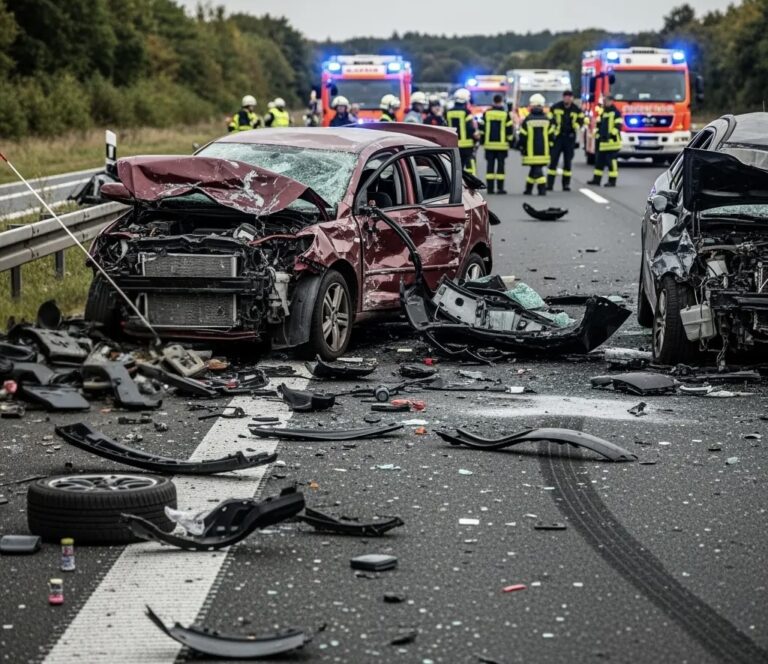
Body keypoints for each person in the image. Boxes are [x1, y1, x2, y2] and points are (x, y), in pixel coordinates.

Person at [547, 90, 585, 191]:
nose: (567, 99)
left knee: (568, 162)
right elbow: (549, 119)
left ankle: (566, 184)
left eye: (569, 97)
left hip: (570, 138)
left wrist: (576, 126)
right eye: (565, 97)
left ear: (572, 98)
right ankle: (549, 184)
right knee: (553, 161)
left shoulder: (576, 109)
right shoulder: (556, 107)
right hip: (558, 138)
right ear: (563, 97)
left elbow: (581, 121)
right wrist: (553, 130)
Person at [518, 93, 553, 196]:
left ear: (531, 106)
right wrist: (550, 147)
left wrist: (521, 147)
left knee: (536, 168)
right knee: (535, 168)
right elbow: (551, 136)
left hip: (530, 151)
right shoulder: (546, 119)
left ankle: (542, 189)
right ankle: (528, 189)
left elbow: (523, 136)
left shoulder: (528, 120)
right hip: (544, 150)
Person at [479, 93, 514, 194]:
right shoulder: (505, 114)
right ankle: (500, 188)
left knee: (490, 166)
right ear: (501, 101)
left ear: (493, 101)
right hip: (502, 146)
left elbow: (481, 128)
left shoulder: (487, 113)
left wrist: (482, 140)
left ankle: (490, 189)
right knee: (500, 166)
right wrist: (510, 142)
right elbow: (509, 130)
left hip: (489, 145)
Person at [588, 94, 623, 187]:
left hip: (612, 143)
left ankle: (612, 181)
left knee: (611, 162)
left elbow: (618, 125)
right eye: (604, 101)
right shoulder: (603, 112)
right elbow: (600, 125)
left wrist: (612, 135)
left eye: (606, 101)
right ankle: (596, 180)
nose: (604, 103)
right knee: (599, 162)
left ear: (611, 101)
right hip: (603, 143)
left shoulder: (616, 112)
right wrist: (597, 135)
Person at [446, 88, 480, 174]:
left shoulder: (448, 112)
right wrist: (476, 138)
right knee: (470, 166)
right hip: (467, 145)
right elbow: (470, 128)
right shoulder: (466, 112)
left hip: (453, 144)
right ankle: (472, 181)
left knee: (457, 167)